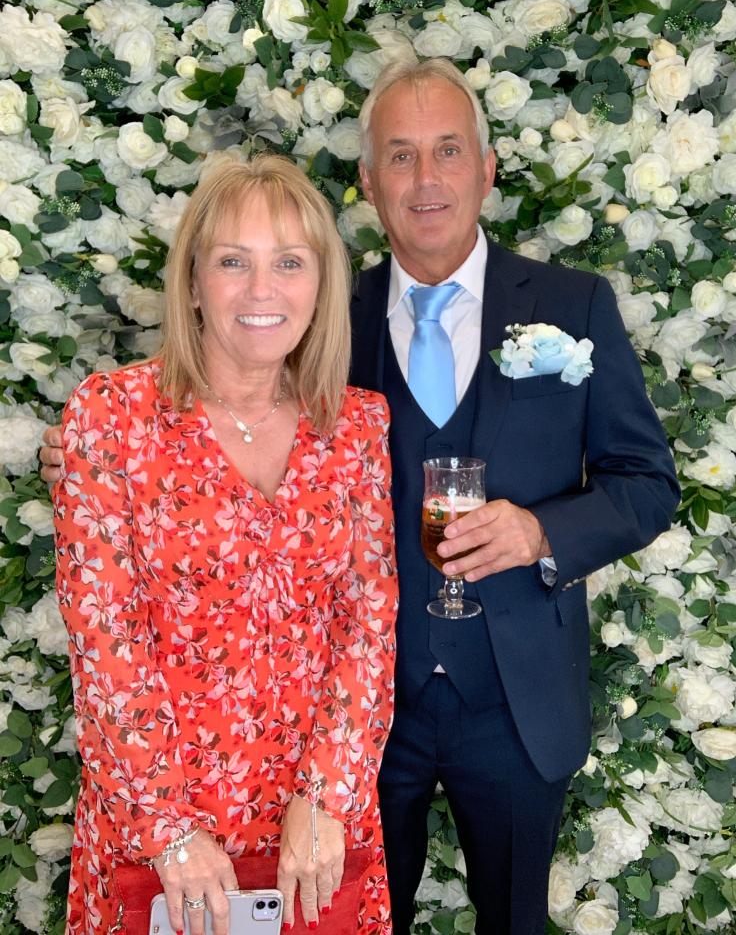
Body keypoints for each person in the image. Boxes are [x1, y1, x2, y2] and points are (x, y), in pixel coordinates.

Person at [43, 60, 680, 935]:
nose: (427, 179)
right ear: (370, 181)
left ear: (486, 168)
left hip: (511, 704)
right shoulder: (322, 313)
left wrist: (541, 531)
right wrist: (86, 459)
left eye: (448, 150)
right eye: (401, 155)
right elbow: (174, 464)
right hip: (360, 738)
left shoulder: (573, 305)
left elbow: (646, 481)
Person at [51, 154, 398, 935]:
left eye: (290, 262)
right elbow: (104, 642)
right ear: (193, 282)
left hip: (317, 829)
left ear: (322, 284)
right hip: (160, 829)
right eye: (234, 261)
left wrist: (330, 795)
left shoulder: (356, 424)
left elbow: (369, 626)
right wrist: (169, 831)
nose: (262, 289)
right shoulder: (110, 416)